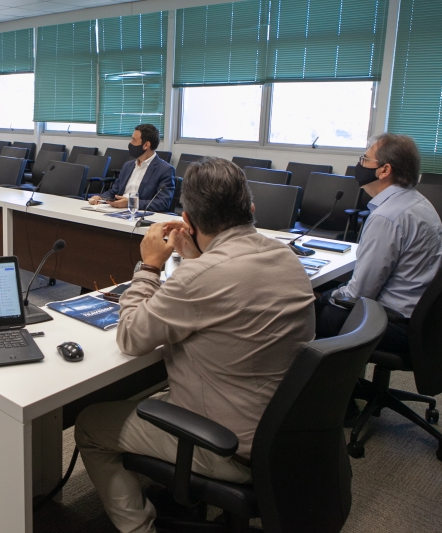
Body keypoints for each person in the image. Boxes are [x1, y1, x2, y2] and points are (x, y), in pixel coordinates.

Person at [75, 157, 315, 533]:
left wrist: (150, 266)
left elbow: (131, 336)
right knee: (156, 396)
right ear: (249, 209)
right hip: (286, 430)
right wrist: (193, 256)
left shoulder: (203, 276)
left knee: (90, 424)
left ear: (187, 221)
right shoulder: (284, 255)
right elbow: (217, 291)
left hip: (229, 445)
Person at [315, 133, 442, 354]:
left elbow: (359, 293)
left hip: (394, 324)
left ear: (384, 170)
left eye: (364, 159)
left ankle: (322, 386)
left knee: (303, 310)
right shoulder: (417, 202)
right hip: (420, 321)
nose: (359, 164)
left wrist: (324, 297)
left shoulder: (387, 217)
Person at [88, 124, 175, 213]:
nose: (130, 143)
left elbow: (163, 203)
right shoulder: (128, 166)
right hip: (116, 211)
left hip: (140, 214)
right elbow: (115, 191)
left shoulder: (165, 170)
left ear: (146, 145)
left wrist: (131, 203)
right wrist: (100, 197)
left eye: (134, 140)